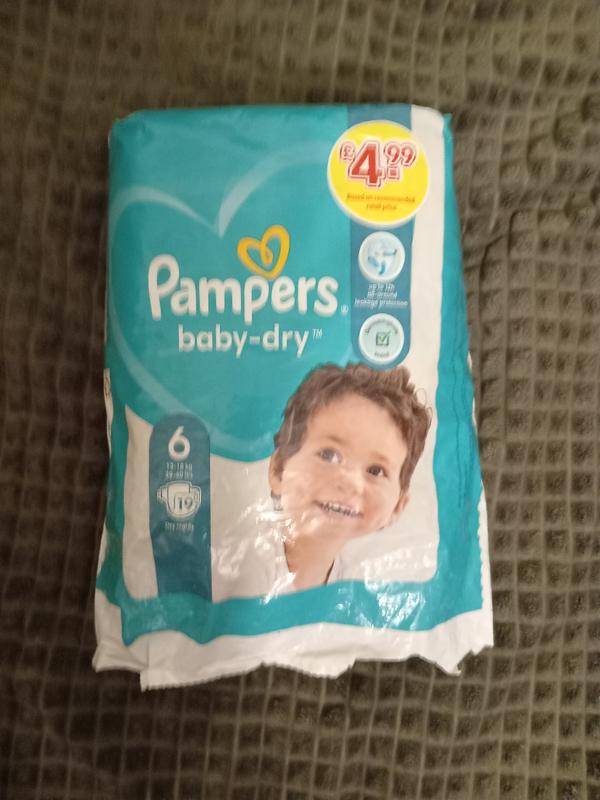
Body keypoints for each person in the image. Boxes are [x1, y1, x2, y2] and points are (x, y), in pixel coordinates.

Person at [267, 362, 431, 591]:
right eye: (328, 455)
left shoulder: (363, 583)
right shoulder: (237, 566)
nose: (350, 482)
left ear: (398, 506)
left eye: (375, 470)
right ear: (279, 469)